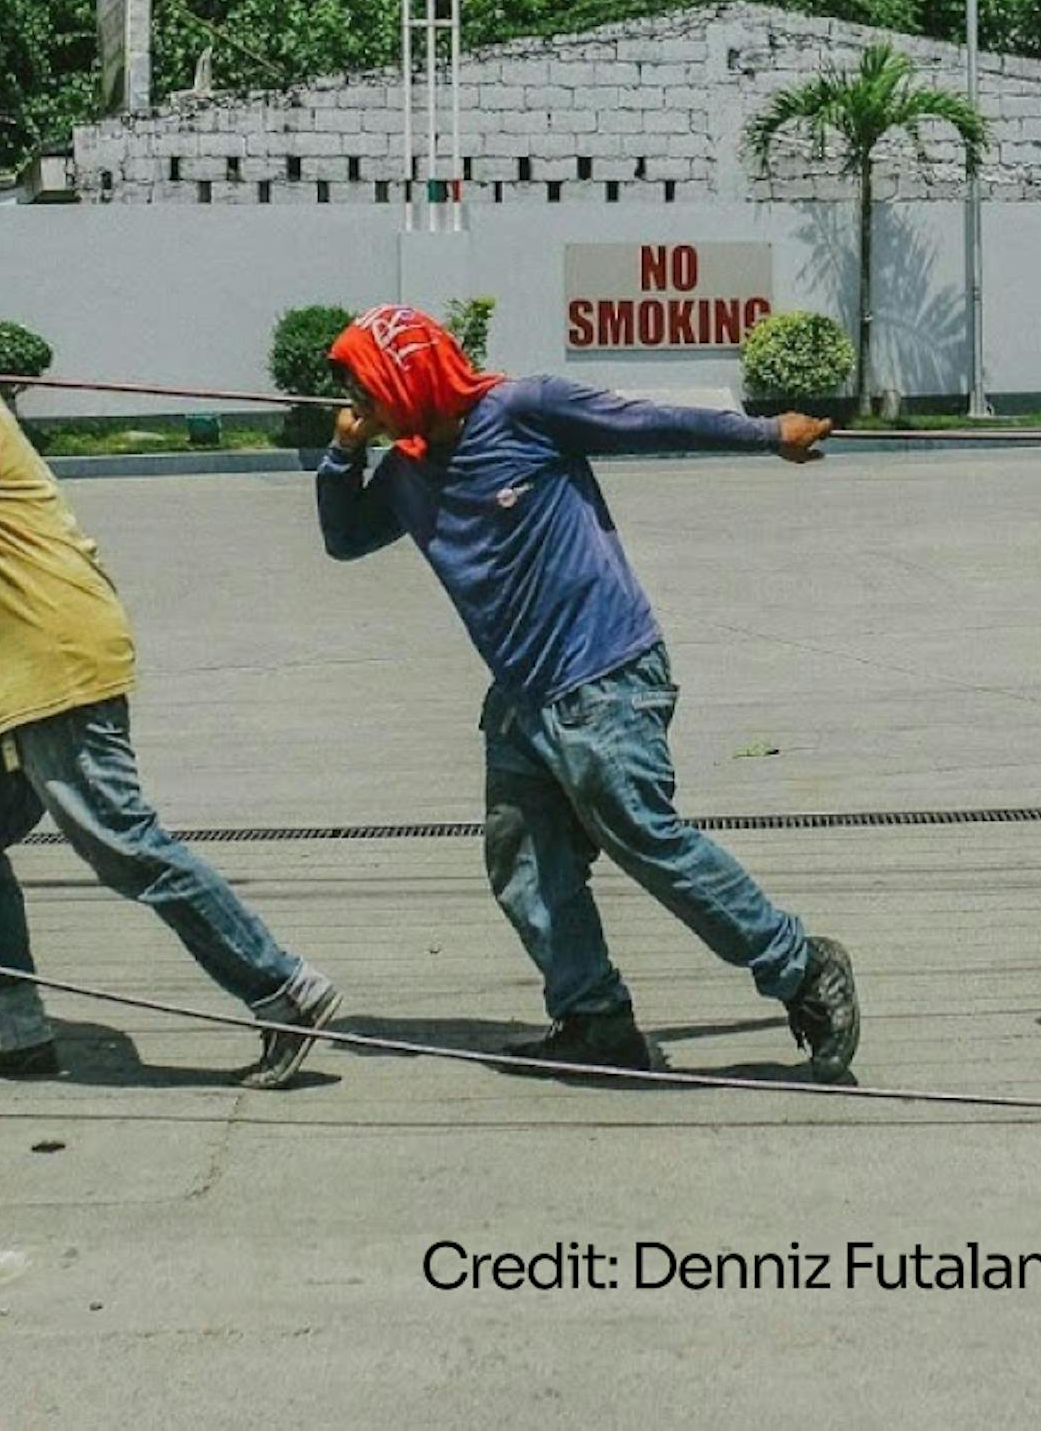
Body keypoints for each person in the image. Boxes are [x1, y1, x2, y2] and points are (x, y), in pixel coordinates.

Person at [311, 304, 860, 1079]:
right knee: (524, 860)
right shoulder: (404, 471)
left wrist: (771, 435)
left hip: (604, 675)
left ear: (409, 374)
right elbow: (345, 539)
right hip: (522, 698)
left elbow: (650, 423)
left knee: (648, 839)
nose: (357, 398)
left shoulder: (526, 410)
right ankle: (594, 1016)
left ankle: (802, 967)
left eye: (363, 382)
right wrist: (342, 452)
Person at [0, 276, 340, 1087]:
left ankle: (282, 987)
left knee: (123, 842)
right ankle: (7, 1026)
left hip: (46, 661)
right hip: (7, 676)